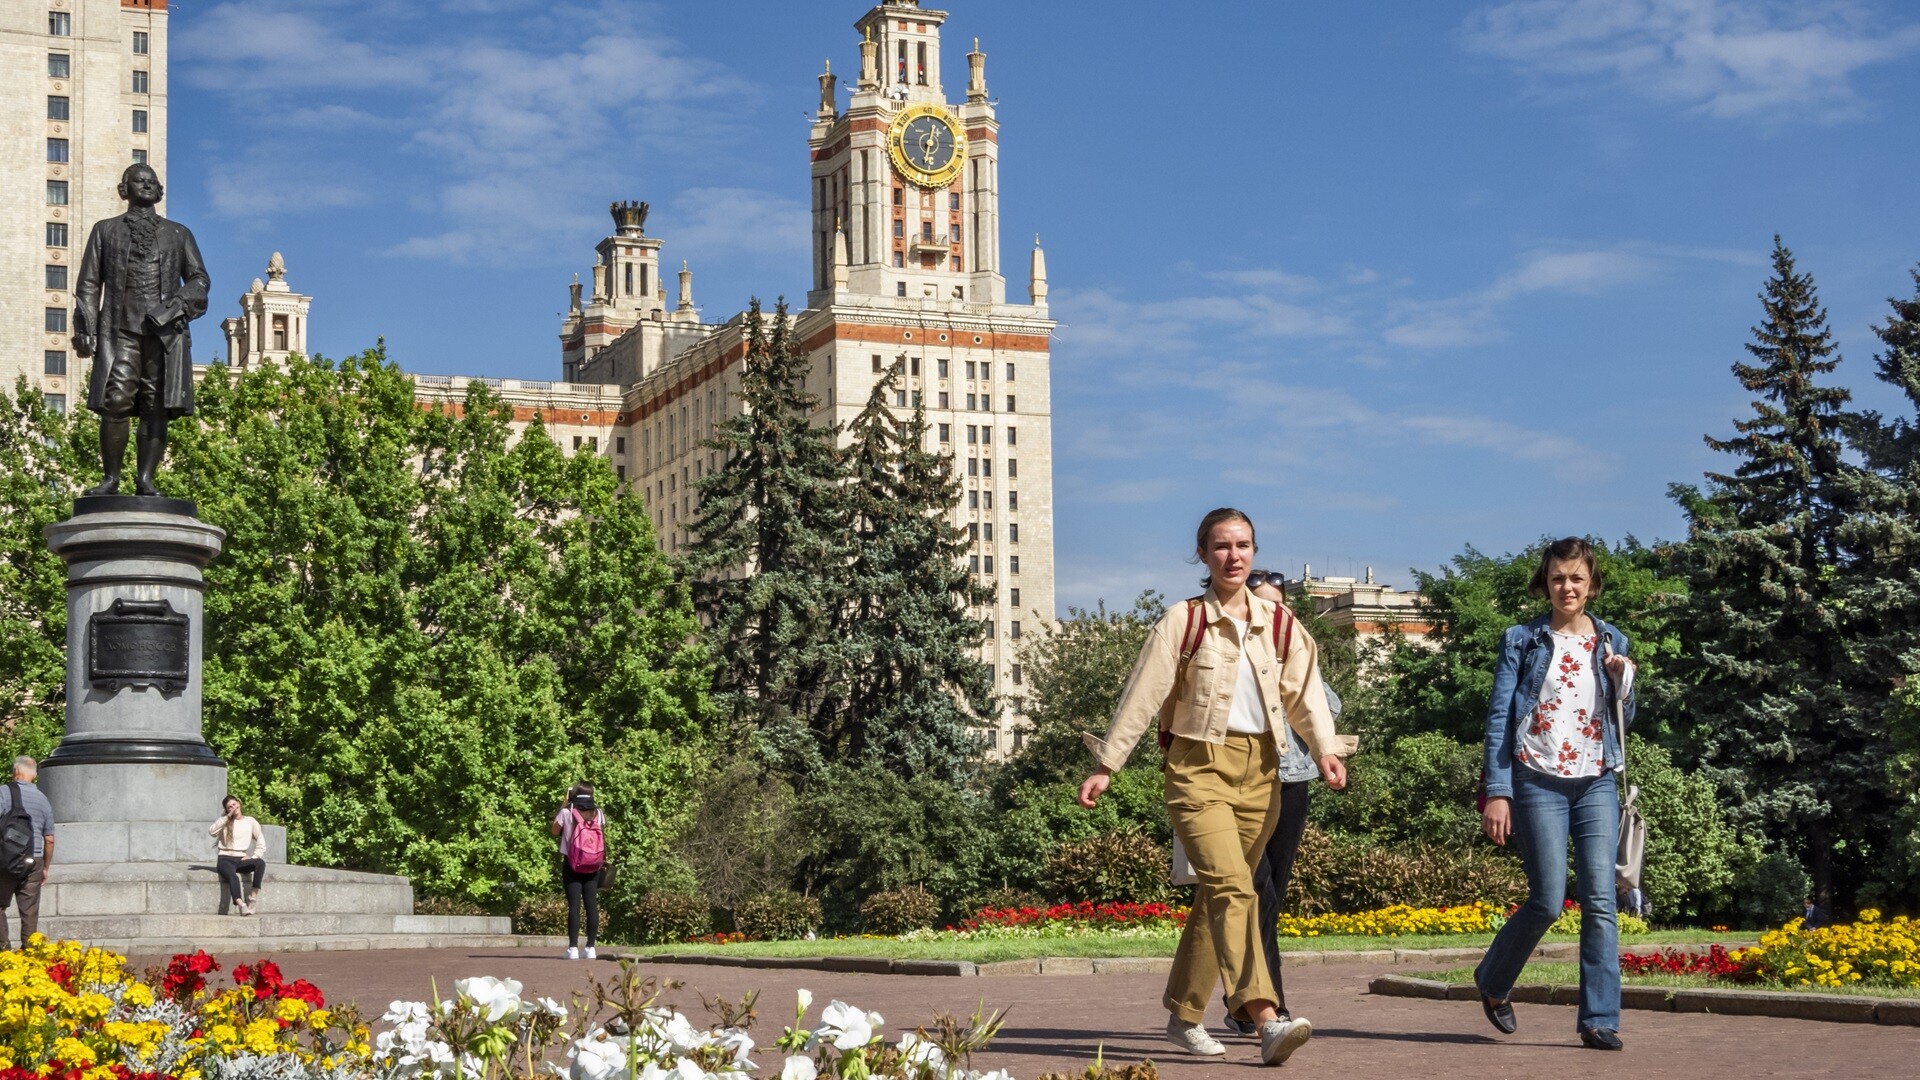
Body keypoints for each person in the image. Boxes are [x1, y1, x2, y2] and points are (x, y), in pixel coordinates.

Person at [1079, 509, 1347, 1066]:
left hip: (1263, 771)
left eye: (1243, 545)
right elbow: (1144, 694)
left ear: (1253, 551)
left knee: (1216, 896)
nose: (1234, 555)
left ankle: (1183, 1014)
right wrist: (1109, 762)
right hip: (1197, 766)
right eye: (1221, 546)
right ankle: (1266, 1017)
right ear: (1202, 554)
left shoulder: (1279, 623)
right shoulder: (1183, 621)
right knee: (1235, 888)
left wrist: (1325, 748)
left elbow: (1305, 694)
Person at [1475, 537, 1635, 1051]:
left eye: (1577, 578)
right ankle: (1494, 981)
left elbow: (1621, 722)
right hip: (1535, 777)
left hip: (1596, 780)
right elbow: (1501, 715)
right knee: (1546, 900)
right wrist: (1497, 792)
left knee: (1602, 900)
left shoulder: (1613, 641)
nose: (1567, 587)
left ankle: (1600, 1020)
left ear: (1592, 584)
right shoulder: (1522, 639)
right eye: (1558, 578)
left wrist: (1623, 685)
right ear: (1546, 583)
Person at [1222, 571, 1354, 1038]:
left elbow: (1327, 705)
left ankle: (1244, 1000)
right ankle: (1267, 1007)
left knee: (1272, 895)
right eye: (1263, 603)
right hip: (1239, 782)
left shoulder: (1294, 645)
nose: (1272, 612)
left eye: (1279, 605)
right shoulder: (1228, 650)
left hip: (1293, 778)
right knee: (1258, 894)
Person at [71, 162, 210, 497]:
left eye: (152, 182)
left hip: (163, 335)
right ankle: (111, 480)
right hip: (119, 331)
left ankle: (145, 480)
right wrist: (86, 327)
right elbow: (89, 284)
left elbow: (199, 279)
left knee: (155, 404)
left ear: (159, 191)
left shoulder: (178, 233)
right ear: (125, 189)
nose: (146, 185)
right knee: (115, 401)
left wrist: (175, 306)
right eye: (139, 180)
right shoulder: (105, 230)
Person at [1, 757, 56, 949]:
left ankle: (3, 952)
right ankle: (30, 955)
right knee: (29, 911)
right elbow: (49, 838)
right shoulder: (43, 799)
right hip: (34, 860)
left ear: (15, 772)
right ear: (34, 775)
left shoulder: (3, 792)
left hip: (5, 861)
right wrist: (46, 867)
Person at [552, 782, 606, 960]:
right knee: (591, 904)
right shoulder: (597, 813)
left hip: (572, 863)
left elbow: (554, 830)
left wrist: (564, 803)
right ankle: (591, 947)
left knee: (574, 905)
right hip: (593, 864)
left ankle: (573, 948)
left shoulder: (567, 812)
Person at [210, 794, 267, 915]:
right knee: (233, 877)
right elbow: (212, 831)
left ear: (239, 803)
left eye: (234, 804)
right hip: (225, 859)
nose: (233, 808)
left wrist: (254, 856)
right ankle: (242, 905)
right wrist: (227, 817)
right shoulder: (225, 822)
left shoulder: (250, 821)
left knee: (260, 863)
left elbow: (261, 841)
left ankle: (252, 897)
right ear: (227, 810)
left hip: (241, 858)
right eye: (229, 807)